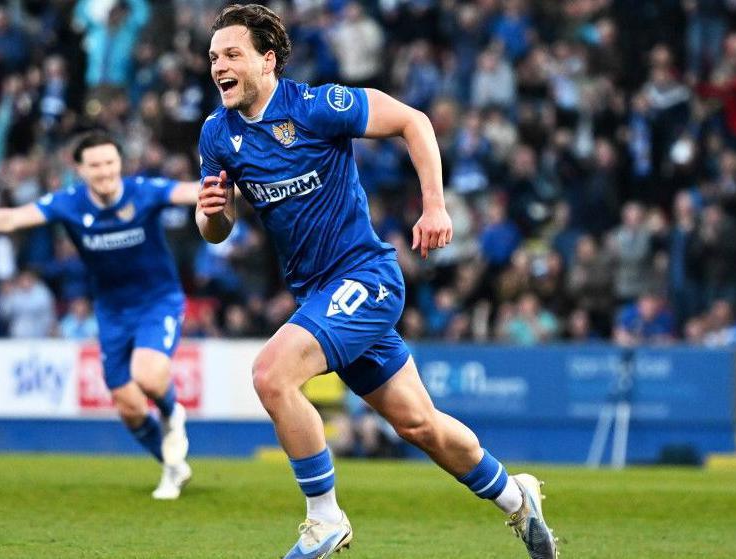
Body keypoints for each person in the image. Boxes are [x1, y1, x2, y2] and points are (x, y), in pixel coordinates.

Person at [196, 5, 558, 558]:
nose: (219, 64)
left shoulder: (317, 106)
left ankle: (324, 519)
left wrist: (434, 207)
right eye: (214, 56)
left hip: (366, 277)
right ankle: (517, 498)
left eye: (232, 54)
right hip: (321, 297)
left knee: (271, 375)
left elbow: (415, 120)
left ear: (267, 61)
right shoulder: (217, 136)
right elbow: (214, 230)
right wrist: (214, 212)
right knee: (420, 425)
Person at [0, 131, 197, 500]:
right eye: (95, 165)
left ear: (120, 164)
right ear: (79, 169)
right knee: (127, 405)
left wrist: (251, 181)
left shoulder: (144, 191)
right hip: (110, 310)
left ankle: (172, 415)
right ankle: (172, 466)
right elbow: (11, 219)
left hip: (158, 301)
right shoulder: (70, 203)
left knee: (149, 375)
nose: (105, 171)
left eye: (110, 163)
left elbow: (194, 191)